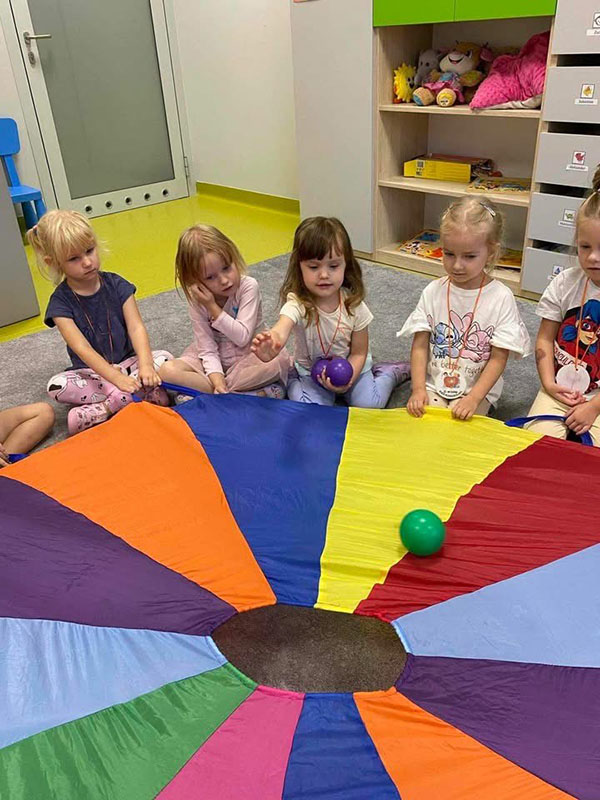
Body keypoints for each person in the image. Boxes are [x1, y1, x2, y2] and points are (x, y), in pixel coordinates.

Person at [28, 210, 171, 435]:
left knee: (166, 359)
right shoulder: (60, 303)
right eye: (74, 259)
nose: (87, 262)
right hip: (92, 373)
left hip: (130, 364)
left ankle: (105, 406)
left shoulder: (117, 285)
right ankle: (133, 395)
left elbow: (136, 327)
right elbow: (81, 348)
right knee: (57, 386)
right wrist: (116, 378)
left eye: (90, 251)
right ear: (53, 263)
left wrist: (145, 366)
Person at [251, 216, 409, 406]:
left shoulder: (353, 305)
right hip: (311, 372)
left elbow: (359, 352)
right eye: (313, 267)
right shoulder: (298, 303)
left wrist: (348, 380)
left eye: (333, 266)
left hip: (351, 367)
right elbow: (283, 326)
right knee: (313, 409)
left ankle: (390, 373)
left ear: (346, 265)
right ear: (299, 267)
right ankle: (292, 376)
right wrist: (273, 341)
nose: (324, 274)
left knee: (370, 404)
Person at [399, 197, 530, 420]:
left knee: (459, 425)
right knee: (426, 421)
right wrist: (418, 389)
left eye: (469, 256)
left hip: (476, 390)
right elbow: (420, 345)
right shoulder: (433, 291)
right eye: (449, 253)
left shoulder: (501, 297)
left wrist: (474, 398)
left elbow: (499, 358)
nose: (457, 265)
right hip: (435, 383)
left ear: (491, 252)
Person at [159, 224, 289, 398]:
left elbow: (242, 337)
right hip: (215, 356)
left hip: (250, 354)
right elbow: (207, 348)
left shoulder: (248, 287)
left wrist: (213, 307)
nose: (224, 280)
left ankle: (215, 393)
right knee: (167, 371)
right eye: (210, 277)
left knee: (278, 362)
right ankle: (237, 392)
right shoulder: (198, 300)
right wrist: (217, 380)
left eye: (226, 268)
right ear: (195, 281)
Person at [526, 165, 600, 444]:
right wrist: (549, 384)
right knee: (534, 445)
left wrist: (593, 407)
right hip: (559, 387)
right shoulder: (565, 283)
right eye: (585, 247)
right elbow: (544, 340)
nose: (593, 258)